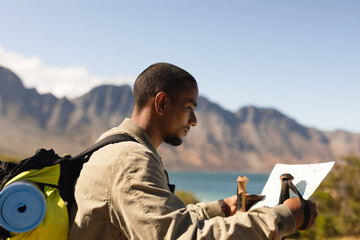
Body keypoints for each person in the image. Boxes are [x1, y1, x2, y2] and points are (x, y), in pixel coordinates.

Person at [69, 62, 317, 239]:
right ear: (162, 102)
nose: (194, 120)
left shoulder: (113, 143)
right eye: (189, 107)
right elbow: (181, 236)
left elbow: (159, 218)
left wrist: (220, 208)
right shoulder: (131, 160)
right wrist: (285, 217)